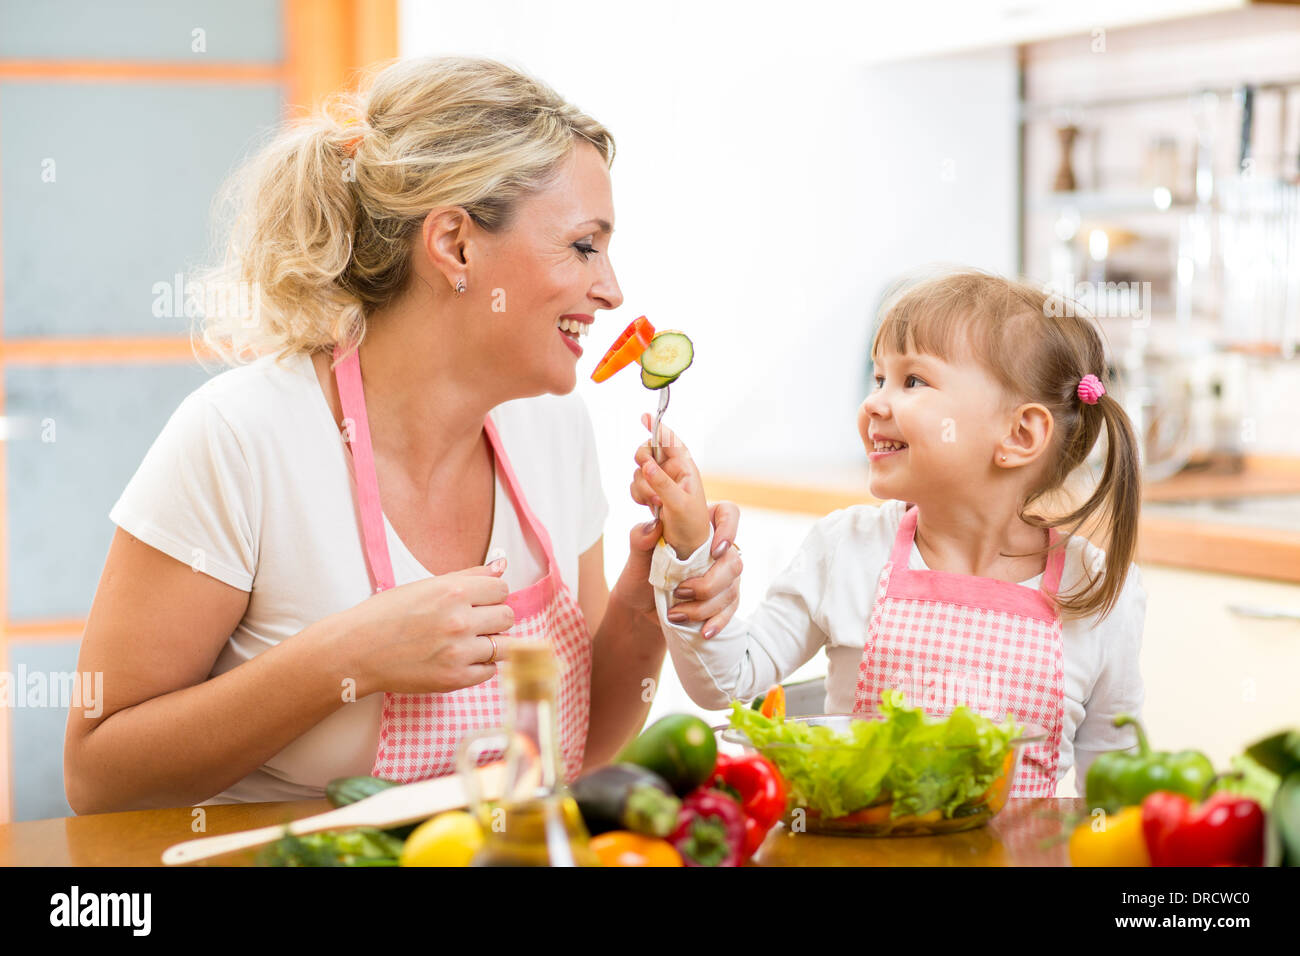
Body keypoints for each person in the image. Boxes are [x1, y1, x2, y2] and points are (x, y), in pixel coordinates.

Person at [63, 56, 742, 813]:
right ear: (454, 244)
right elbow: (98, 776)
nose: (612, 289)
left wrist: (653, 594)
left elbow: (573, 754)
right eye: (584, 246)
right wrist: (348, 657)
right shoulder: (240, 439)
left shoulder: (554, 430)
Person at [632, 270, 1147, 796]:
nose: (873, 404)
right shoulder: (847, 548)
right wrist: (691, 549)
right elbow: (727, 681)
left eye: (913, 382)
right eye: (879, 379)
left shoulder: (1101, 593)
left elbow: (1110, 787)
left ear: (1019, 434)